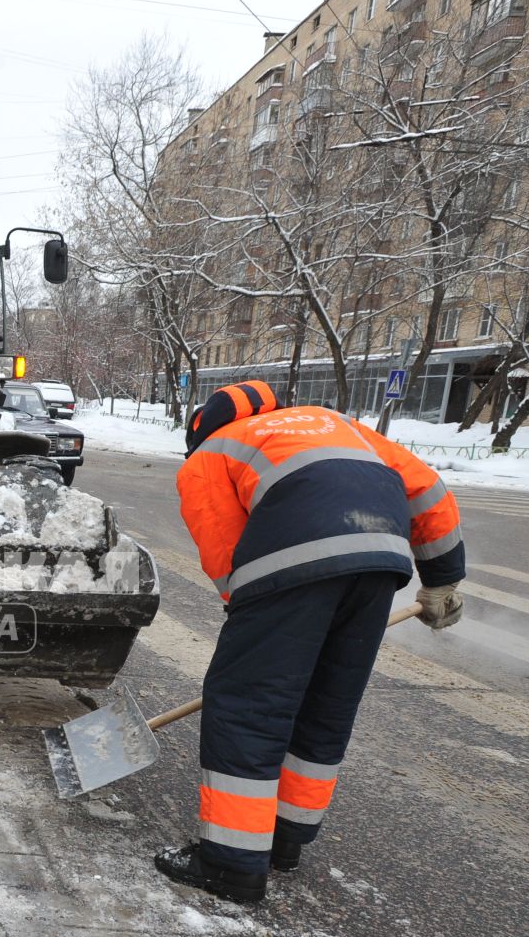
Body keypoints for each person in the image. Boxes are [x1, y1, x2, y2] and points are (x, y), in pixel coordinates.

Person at [155, 382, 465, 904]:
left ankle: (231, 863)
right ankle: (284, 841)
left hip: (290, 572)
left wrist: (251, 621)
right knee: (325, 700)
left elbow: (225, 547)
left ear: (199, 431)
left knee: (250, 706)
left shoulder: (211, 454)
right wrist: (441, 579)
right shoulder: (335, 423)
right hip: (379, 568)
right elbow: (428, 491)